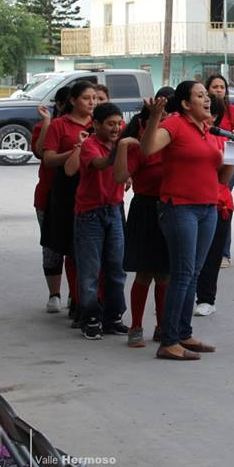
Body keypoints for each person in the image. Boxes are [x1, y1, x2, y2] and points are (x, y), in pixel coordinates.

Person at [140, 81, 230, 361]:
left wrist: (233, 157)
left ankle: (183, 333)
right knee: (182, 273)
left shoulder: (209, 131)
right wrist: (155, 116)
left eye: (208, 95)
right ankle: (168, 341)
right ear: (185, 104)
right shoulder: (175, 124)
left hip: (208, 208)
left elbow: (222, 177)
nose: (208, 99)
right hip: (180, 208)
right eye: (201, 95)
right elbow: (147, 149)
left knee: (194, 273)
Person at [113, 87, 175, 347]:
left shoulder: (175, 139)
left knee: (165, 274)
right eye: (162, 115)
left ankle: (162, 326)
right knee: (144, 273)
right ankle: (136, 326)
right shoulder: (140, 143)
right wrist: (122, 146)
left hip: (171, 208)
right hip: (146, 209)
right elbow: (120, 176)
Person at [64, 102, 127, 340]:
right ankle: (89, 317)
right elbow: (100, 164)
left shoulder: (121, 143)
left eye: (119, 123)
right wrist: (121, 150)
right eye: (110, 124)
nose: (116, 128)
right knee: (90, 269)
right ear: (96, 124)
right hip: (89, 213)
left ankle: (113, 316)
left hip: (114, 210)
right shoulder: (90, 145)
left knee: (116, 267)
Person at [41, 81, 97, 321]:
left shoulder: (100, 123)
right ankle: (74, 298)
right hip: (66, 191)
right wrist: (76, 151)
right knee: (70, 249)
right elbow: (48, 159)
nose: (92, 102)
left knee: (92, 252)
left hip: (96, 190)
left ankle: (86, 300)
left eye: (95, 98)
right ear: (73, 100)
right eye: (86, 98)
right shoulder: (59, 125)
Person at [193, 90, 234, 315]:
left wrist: (233, 152)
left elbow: (224, 178)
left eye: (211, 112)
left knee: (211, 256)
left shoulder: (222, 140)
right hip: (187, 205)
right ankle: (180, 296)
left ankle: (206, 299)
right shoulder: (182, 135)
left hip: (219, 205)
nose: (208, 116)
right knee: (186, 256)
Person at [32, 88, 71, 313]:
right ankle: (54, 293)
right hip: (48, 195)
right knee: (51, 247)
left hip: (76, 196)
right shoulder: (45, 126)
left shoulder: (90, 127)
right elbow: (40, 153)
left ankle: (76, 294)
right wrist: (47, 122)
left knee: (77, 248)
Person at [206, 74, 234, 269]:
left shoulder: (232, 110)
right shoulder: (202, 110)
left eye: (222, 87)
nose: (219, 90)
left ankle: (223, 253)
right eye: (215, 86)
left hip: (228, 164)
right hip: (208, 162)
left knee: (223, 206)